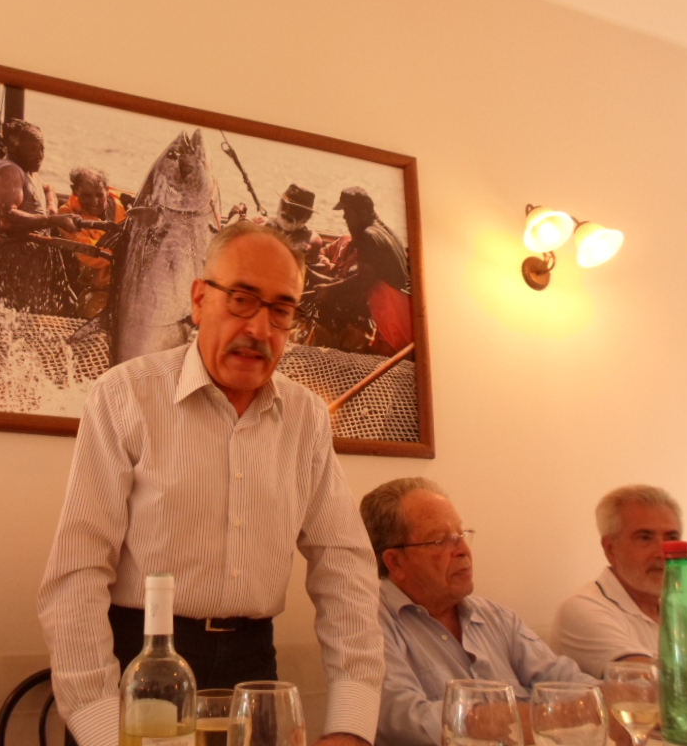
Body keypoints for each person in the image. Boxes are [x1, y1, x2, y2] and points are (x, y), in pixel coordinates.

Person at [38, 220, 384, 746]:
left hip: (254, 669)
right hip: (141, 665)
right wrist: (102, 727)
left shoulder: (306, 418)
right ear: (200, 299)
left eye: (282, 310)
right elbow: (76, 575)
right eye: (242, 300)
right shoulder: (126, 395)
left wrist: (351, 725)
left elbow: (345, 568)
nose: (261, 329)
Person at [359, 477, 595, 746]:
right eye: (440, 541)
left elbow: (573, 687)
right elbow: (406, 724)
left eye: (461, 535)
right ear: (395, 562)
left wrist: (610, 697)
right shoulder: (369, 626)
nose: (464, 551)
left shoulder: (498, 618)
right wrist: (534, 718)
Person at [551, 485, 687, 680]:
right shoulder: (583, 609)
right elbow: (652, 686)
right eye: (645, 538)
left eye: (671, 537)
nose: (664, 552)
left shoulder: (677, 610)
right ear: (611, 549)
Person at [0, 119, 80, 314]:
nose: (40, 156)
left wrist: (52, 208)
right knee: (19, 310)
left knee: (41, 308)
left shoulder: (29, 171)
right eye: (32, 149)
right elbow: (7, 216)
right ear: (13, 146)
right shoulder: (10, 171)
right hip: (18, 253)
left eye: (42, 149)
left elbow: (48, 188)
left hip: (37, 250)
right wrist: (53, 220)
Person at [314, 187, 413, 354]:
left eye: (348, 212)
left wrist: (327, 290)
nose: (344, 217)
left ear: (364, 212)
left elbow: (362, 282)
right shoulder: (385, 230)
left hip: (394, 321)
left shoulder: (369, 236)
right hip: (405, 315)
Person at [56, 167, 128, 317]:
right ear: (74, 191)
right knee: (91, 317)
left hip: (133, 286)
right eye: (87, 196)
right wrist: (128, 248)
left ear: (107, 190)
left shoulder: (128, 203)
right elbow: (89, 255)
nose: (94, 201)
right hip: (100, 290)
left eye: (99, 194)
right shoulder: (67, 214)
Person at [258, 184, 324, 264]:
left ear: (308, 216)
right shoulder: (262, 225)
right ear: (279, 204)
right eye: (285, 205)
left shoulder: (310, 240)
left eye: (296, 209)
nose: (288, 211)